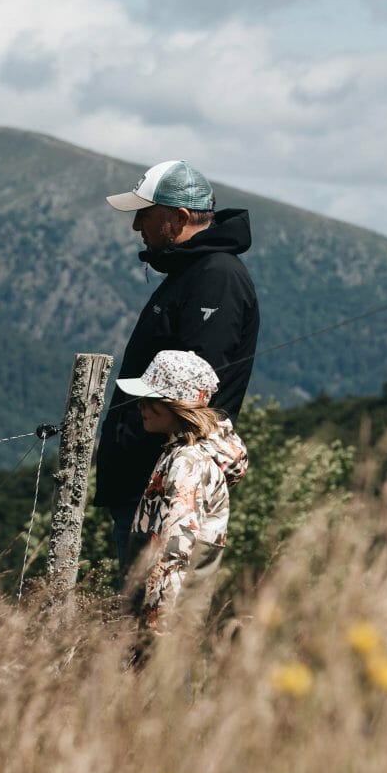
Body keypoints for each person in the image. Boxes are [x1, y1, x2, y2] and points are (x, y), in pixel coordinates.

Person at [94, 159, 259, 564]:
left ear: (178, 217)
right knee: (146, 608)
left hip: (164, 480)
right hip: (152, 475)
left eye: (144, 215)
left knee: (153, 609)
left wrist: (133, 443)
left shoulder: (214, 277)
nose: (137, 227)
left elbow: (194, 387)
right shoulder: (195, 272)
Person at [117, 350, 247, 636]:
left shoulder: (187, 463)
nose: (140, 406)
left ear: (177, 405)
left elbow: (173, 551)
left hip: (164, 630)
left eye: (150, 399)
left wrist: (153, 632)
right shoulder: (184, 454)